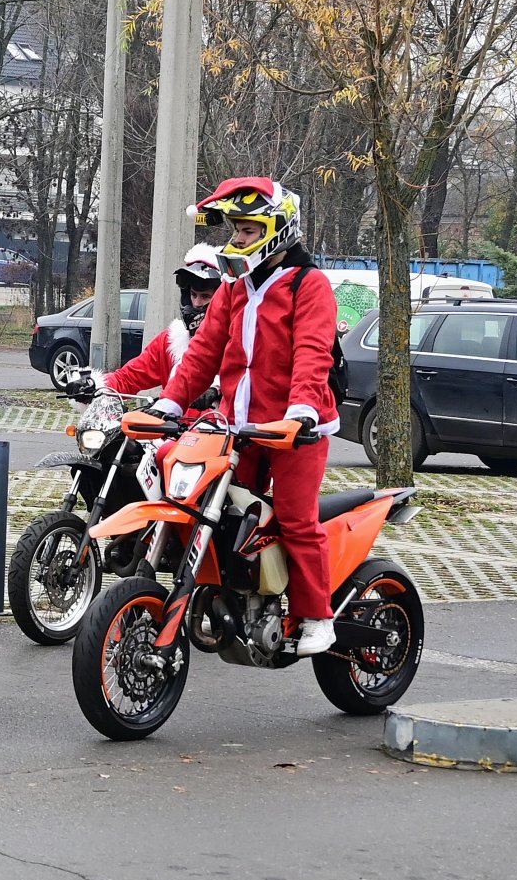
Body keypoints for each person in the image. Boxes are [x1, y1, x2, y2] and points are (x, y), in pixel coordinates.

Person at [150, 177, 341, 657]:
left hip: (296, 431)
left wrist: (300, 413)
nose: (235, 239)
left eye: (247, 230)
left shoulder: (307, 284)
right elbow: (201, 355)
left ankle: (319, 617)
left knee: (297, 519)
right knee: (220, 511)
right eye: (233, 230)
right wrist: (168, 403)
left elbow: (313, 355)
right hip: (239, 428)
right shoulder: (234, 289)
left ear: (276, 230)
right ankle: (233, 598)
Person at [75, 244, 223, 399]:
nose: (197, 303)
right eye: (193, 295)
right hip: (177, 422)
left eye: (205, 296)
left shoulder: (237, 343)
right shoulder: (169, 342)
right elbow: (129, 377)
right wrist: (94, 387)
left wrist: (217, 390)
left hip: (222, 422)